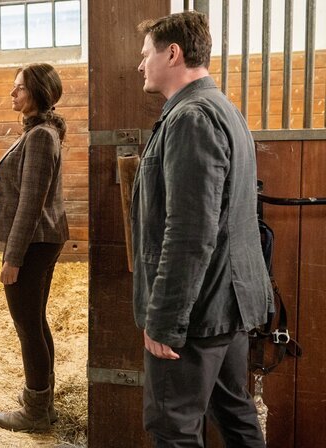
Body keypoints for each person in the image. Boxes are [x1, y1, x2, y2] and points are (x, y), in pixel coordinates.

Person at [132, 11, 272, 447]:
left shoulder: (192, 116)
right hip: (226, 305)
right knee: (234, 414)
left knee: (172, 428)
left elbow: (190, 232)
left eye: (146, 55)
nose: (140, 65)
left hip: (196, 313)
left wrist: (165, 319)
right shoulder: (222, 108)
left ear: (172, 53)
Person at [0, 63, 69, 432]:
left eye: (18, 88)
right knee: (35, 322)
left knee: (27, 326)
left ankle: (36, 411)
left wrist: (13, 258)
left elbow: (31, 203)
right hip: (43, 239)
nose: (12, 93)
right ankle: (44, 402)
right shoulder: (40, 132)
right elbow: (27, 188)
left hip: (34, 242)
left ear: (36, 92)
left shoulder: (40, 135)